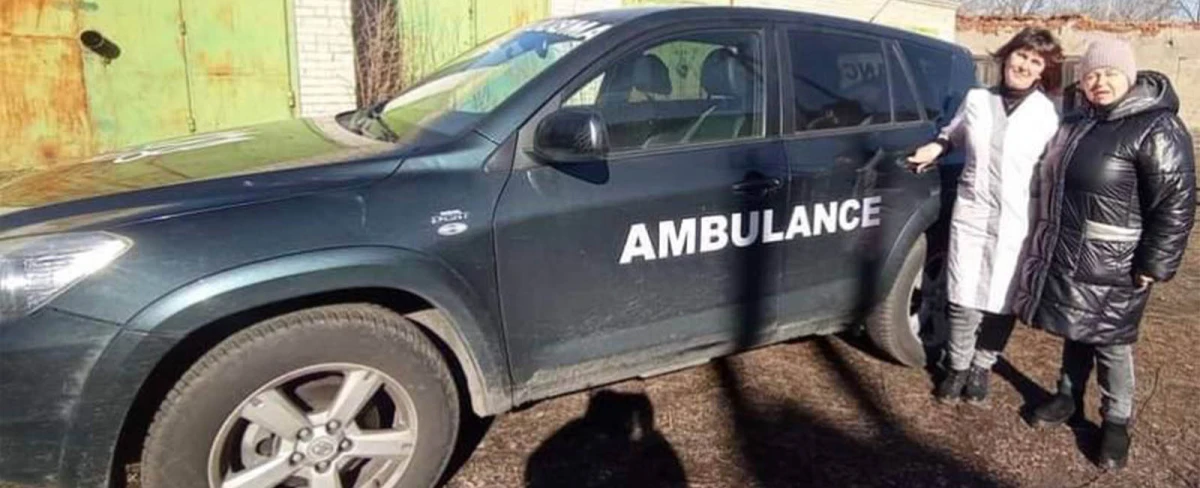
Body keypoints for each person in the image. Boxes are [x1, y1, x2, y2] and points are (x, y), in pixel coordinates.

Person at [1013, 39, 1196, 470]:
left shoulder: (1157, 126)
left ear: (1129, 77)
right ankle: (1067, 397)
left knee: (1111, 340)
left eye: (1110, 73)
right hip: (1070, 249)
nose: (1100, 82)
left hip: (1119, 260)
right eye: (1092, 74)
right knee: (1076, 325)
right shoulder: (1078, 121)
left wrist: (1155, 262)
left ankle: (1116, 420)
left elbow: (1176, 201)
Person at [907, 27, 1064, 405]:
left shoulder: (1046, 114)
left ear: (1043, 70)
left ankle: (982, 366)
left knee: (1003, 299)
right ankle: (957, 366)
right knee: (963, 294)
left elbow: (1057, 170)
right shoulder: (977, 99)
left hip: (1018, 220)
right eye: (1021, 55)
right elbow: (952, 133)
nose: (1024, 65)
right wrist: (935, 147)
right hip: (973, 211)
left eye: (1035, 61)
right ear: (1007, 55)